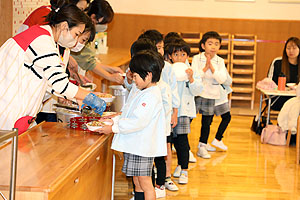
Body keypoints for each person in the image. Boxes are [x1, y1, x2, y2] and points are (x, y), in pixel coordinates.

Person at [0, 1, 105, 132]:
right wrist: (89, 96)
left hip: (17, 112)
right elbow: (59, 83)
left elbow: (49, 83)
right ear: (64, 26)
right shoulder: (41, 39)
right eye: (77, 34)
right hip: (7, 110)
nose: (76, 40)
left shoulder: (49, 41)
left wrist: (75, 96)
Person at [97, 50, 167, 200]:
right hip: (136, 144)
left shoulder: (151, 95)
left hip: (142, 146)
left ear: (148, 75)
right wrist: (114, 121)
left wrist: (113, 128)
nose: (133, 80)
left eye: (135, 76)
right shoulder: (143, 89)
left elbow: (137, 121)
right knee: (137, 180)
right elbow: (128, 113)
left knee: (145, 182)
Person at [138, 30, 181, 192]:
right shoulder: (142, 65)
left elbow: (174, 92)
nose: (160, 50)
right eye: (157, 47)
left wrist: (175, 112)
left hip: (164, 116)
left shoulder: (168, 68)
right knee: (150, 151)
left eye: (161, 47)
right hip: (148, 117)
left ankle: (165, 179)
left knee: (165, 148)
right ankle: (150, 182)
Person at [166, 39, 203, 184]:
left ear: (187, 56)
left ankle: (184, 170)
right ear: (170, 56)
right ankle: (176, 165)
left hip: (183, 112)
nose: (180, 58)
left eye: (183, 54)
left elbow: (198, 90)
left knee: (181, 140)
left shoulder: (192, 71)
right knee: (170, 141)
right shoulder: (167, 70)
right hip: (169, 111)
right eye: (176, 54)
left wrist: (191, 78)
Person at [191, 31, 229, 159]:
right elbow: (195, 76)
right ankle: (177, 142)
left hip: (211, 95)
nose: (213, 47)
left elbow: (222, 79)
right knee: (189, 118)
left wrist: (212, 68)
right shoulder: (197, 58)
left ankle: (202, 145)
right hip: (198, 92)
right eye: (210, 43)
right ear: (203, 45)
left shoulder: (220, 61)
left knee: (207, 122)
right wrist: (204, 69)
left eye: (216, 44)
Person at [71, 0, 124, 85]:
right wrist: (109, 76)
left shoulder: (88, 31)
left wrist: (110, 69)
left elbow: (90, 60)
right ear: (93, 17)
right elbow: (88, 62)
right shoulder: (83, 30)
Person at [267, 37, 300, 111]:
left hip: (297, 97)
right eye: (288, 48)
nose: (291, 51)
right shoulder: (277, 62)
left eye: (294, 48)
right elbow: (269, 83)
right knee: (292, 106)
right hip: (279, 98)